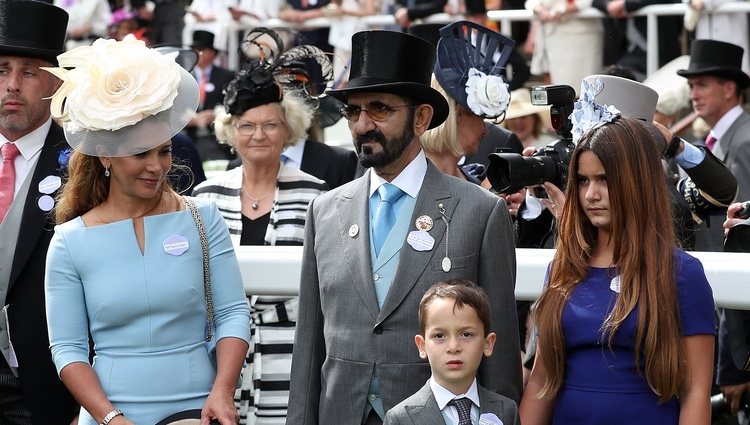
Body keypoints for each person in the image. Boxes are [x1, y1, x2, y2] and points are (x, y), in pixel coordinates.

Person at [287, 29, 521, 425]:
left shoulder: (479, 212)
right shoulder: (324, 211)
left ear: (422, 118)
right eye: (353, 111)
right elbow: (309, 344)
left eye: (379, 109)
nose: (362, 125)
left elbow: (499, 355)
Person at [43, 36, 251, 425]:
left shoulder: (203, 217)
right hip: (109, 415)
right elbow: (67, 349)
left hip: (199, 409)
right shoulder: (69, 241)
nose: (157, 165)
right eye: (141, 153)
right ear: (106, 155)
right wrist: (110, 418)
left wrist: (222, 391)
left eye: (164, 150)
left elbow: (232, 312)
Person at [519, 82, 716, 424]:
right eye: (582, 180)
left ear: (636, 181)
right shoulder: (563, 266)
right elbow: (541, 381)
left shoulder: (682, 273)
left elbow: (696, 391)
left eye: (604, 179)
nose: (590, 194)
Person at [192, 29, 329, 424]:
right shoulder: (206, 196)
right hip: (218, 357)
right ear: (230, 132)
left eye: (270, 125)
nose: (259, 135)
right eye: (247, 126)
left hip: (293, 355)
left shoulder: (318, 196)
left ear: (288, 130)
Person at [0, 2, 79, 424]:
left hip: (45, 382)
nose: (12, 84)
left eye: (28, 71)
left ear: (55, 83)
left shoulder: (87, 164)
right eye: (1, 69)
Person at [383, 279, 519, 425]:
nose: (453, 347)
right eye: (439, 336)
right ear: (422, 346)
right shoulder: (401, 418)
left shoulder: (507, 411)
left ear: (488, 343)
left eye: (466, 334)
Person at [678, 39, 750, 252]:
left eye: (702, 84)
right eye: (691, 86)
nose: (693, 95)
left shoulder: (745, 141)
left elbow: (742, 225)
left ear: (729, 89)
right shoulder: (710, 139)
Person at [420, 21, 514, 185]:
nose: (486, 131)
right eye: (480, 117)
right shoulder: (408, 184)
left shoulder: (475, 180)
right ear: (459, 114)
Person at [184, 30, 236, 166]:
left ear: (212, 53)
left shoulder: (226, 76)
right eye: (194, 49)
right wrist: (187, 120)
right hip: (189, 136)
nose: (197, 53)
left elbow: (233, 105)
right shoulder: (183, 76)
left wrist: (216, 114)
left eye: (201, 49)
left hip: (217, 139)